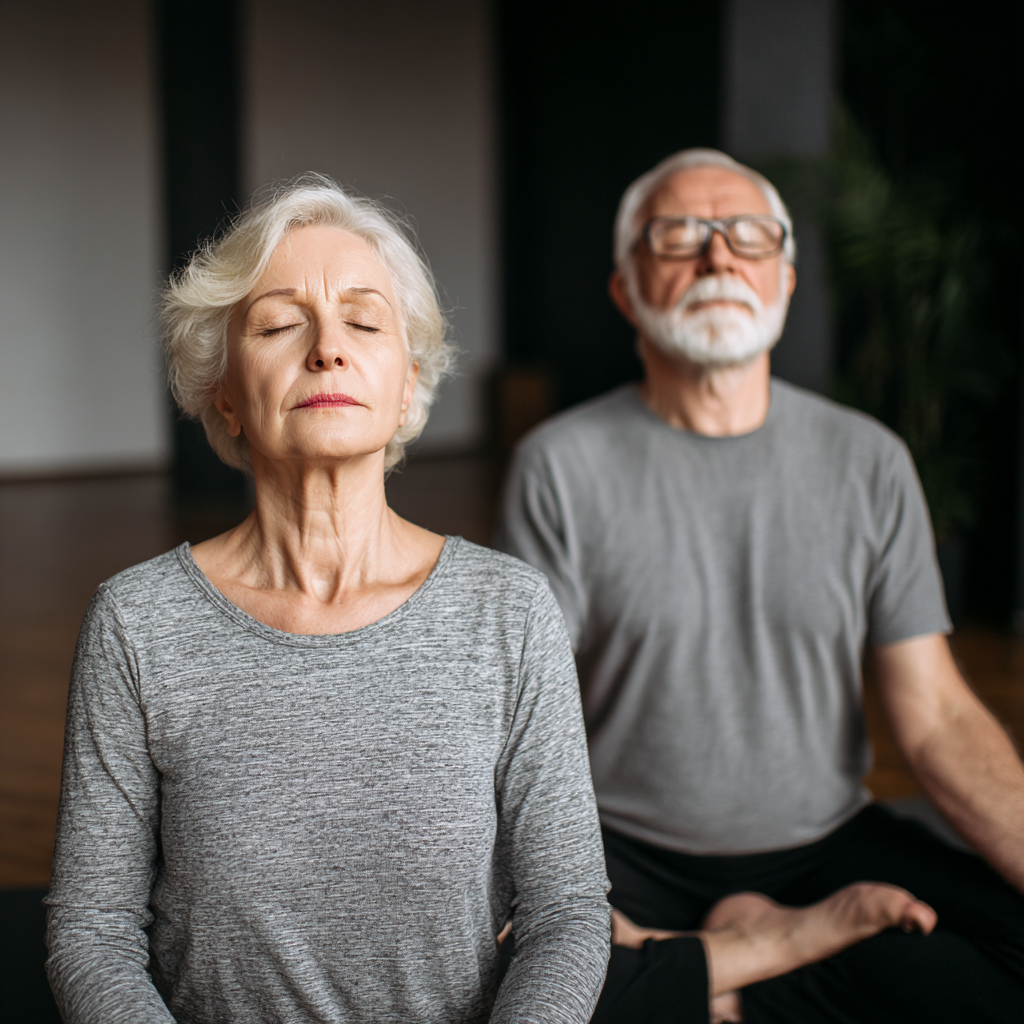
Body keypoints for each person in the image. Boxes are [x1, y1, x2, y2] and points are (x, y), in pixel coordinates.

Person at [45, 175, 611, 1024]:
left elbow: (566, 917)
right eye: (278, 324)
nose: (327, 348)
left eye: (364, 320)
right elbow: (92, 932)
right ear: (223, 393)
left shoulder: (509, 612)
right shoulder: (136, 622)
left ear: (407, 379)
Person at [496, 149, 1024, 1023]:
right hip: (620, 849)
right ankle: (763, 955)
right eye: (679, 238)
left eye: (747, 236)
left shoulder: (870, 461)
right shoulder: (559, 465)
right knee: (487, 965)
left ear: (783, 277)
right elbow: (521, 721)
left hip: (826, 847)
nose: (717, 258)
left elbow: (937, 716)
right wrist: (559, 896)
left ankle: (713, 979)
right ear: (627, 290)